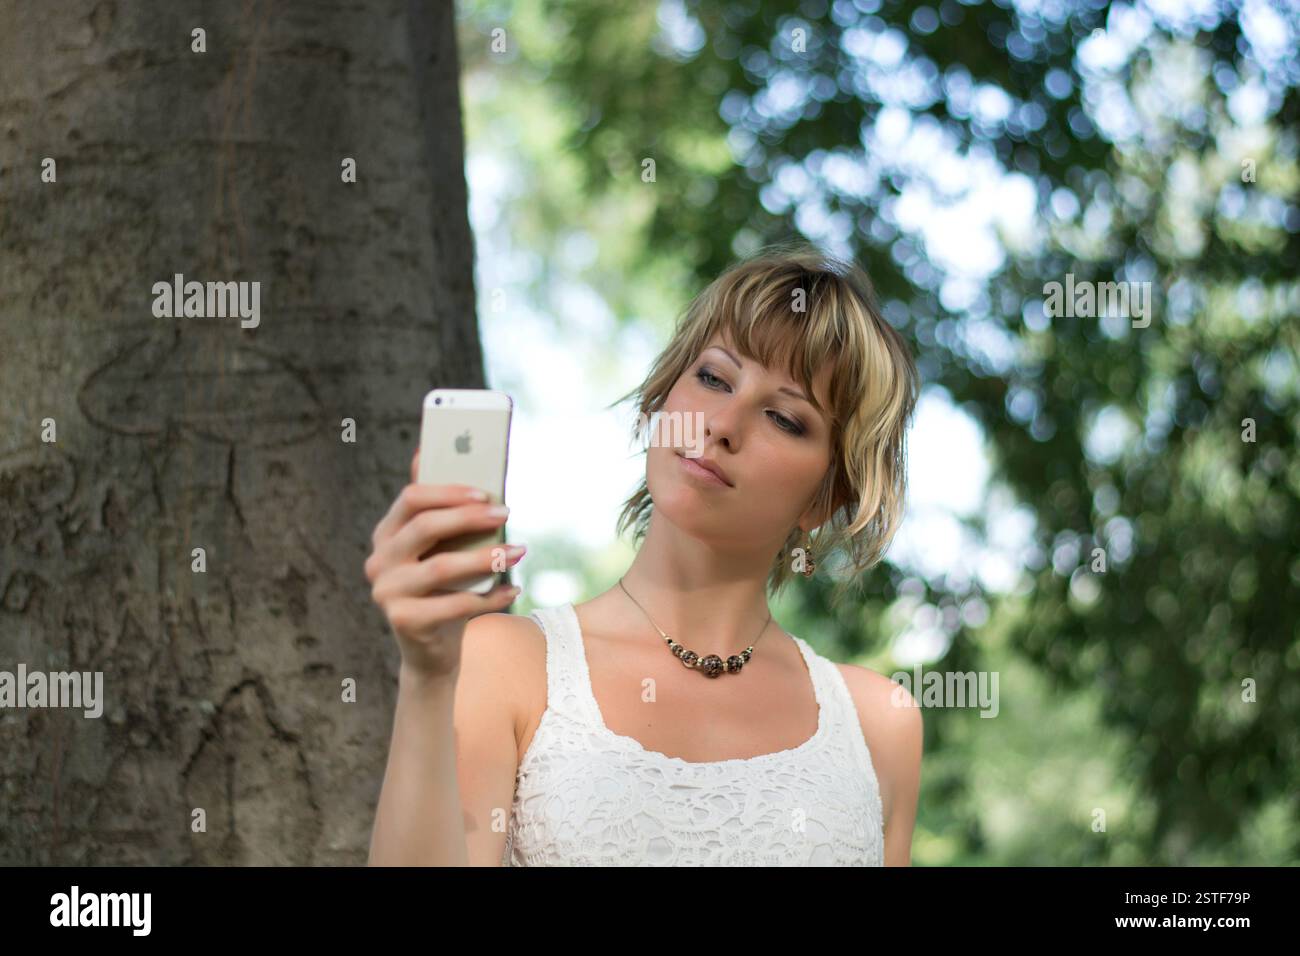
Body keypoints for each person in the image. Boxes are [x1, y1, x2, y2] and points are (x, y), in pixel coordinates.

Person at [366, 241, 923, 866]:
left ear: (825, 496)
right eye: (713, 377)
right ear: (661, 402)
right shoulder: (504, 664)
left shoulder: (881, 724)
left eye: (785, 418)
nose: (721, 424)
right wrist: (426, 677)